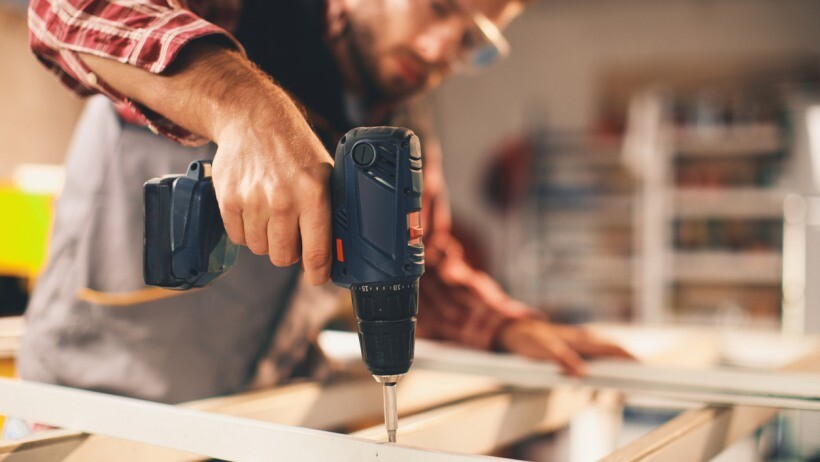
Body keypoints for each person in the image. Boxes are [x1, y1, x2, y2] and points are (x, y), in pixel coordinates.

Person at [19, 0, 632, 407]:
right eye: (439, 5)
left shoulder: (399, 119)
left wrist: (508, 328)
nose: (441, 45)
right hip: (91, 411)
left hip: (254, 416)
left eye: (474, 39)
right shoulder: (239, 8)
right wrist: (240, 106)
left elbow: (426, 264)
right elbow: (65, 9)